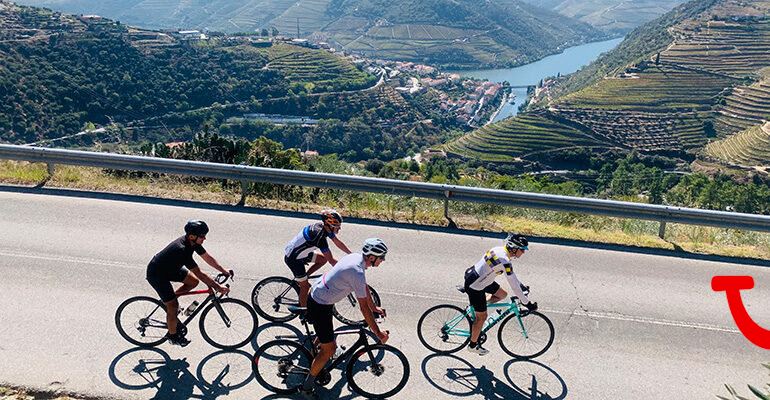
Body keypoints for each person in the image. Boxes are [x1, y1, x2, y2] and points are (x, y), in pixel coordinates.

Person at [299, 238, 389, 397]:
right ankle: (306, 386)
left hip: (322, 298)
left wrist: (374, 307)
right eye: (382, 257)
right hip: (320, 304)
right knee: (330, 349)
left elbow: (363, 287)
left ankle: (313, 352)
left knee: (326, 336)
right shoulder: (356, 271)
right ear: (372, 257)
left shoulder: (356, 259)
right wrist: (378, 334)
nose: (383, 260)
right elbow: (363, 308)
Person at [146, 220, 231, 347]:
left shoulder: (193, 242)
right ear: (192, 236)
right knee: (173, 305)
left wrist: (224, 270)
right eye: (202, 236)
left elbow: (208, 258)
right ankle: (172, 335)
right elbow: (200, 273)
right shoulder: (182, 249)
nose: (204, 238)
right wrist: (218, 287)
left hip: (170, 268)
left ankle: (169, 301)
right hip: (157, 274)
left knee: (193, 282)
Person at [463, 233, 537, 356]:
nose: (523, 253)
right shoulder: (505, 260)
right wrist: (527, 303)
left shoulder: (499, 250)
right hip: (476, 285)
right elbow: (513, 283)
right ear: (514, 248)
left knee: (502, 295)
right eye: (522, 250)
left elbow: (513, 278)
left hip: (478, 277)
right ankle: (473, 345)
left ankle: (475, 308)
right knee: (482, 317)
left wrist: (521, 286)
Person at [284, 209, 352, 308]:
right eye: (337, 226)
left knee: (322, 259)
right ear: (329, 225)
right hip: (294, 258)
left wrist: (351, 254)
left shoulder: (324, 227)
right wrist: (347, 270)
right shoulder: (319, 236)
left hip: (300, 252)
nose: (339, 228)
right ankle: (304, 312)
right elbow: (331, 260)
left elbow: (337, 242)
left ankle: (303, 277)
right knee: (305, 286)